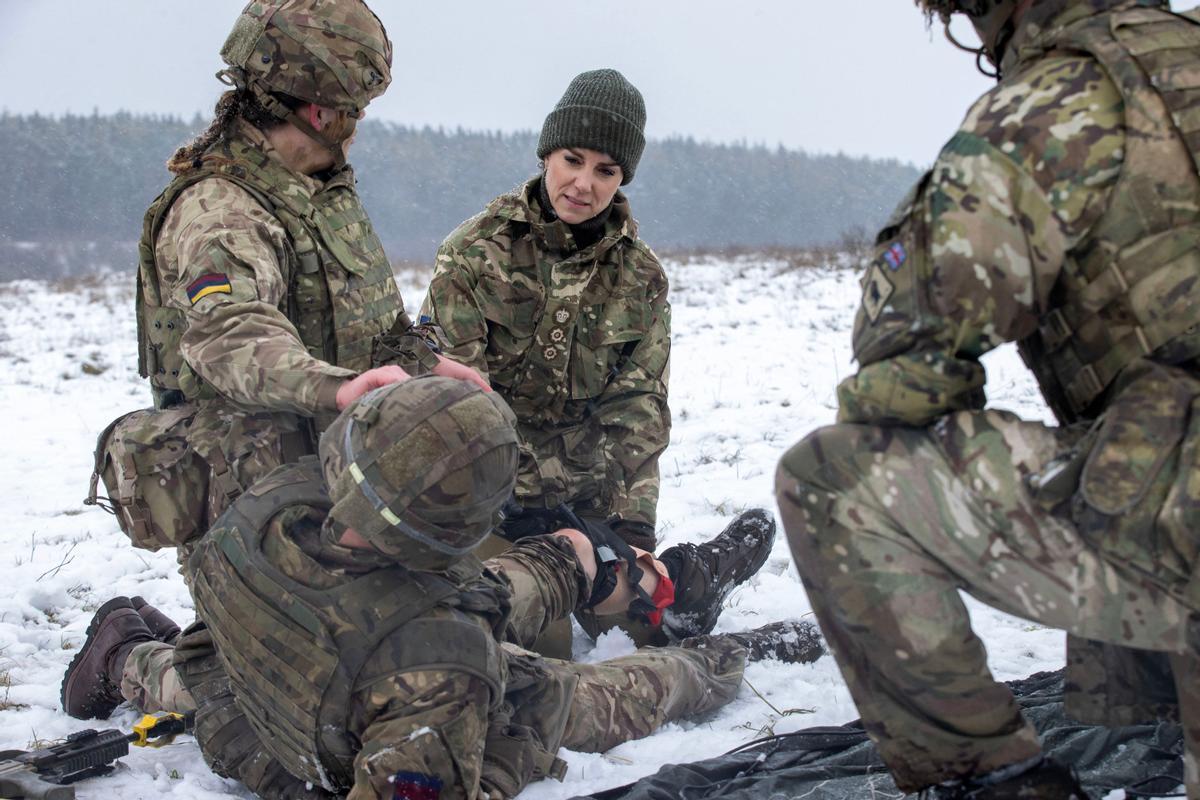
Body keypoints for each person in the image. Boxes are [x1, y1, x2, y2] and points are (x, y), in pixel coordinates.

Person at [775, 1, 1200, 797]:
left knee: (836, 481)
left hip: (1184, 519)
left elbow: (903, 360)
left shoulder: (1063, 97)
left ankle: (995, 783)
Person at [61, 376, 823, 800]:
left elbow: (417, 593)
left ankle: (126, 655)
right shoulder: (441, 666)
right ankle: (732, 653)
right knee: (632, 687)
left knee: (205, 677)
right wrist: (512, 753)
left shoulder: (277, 501)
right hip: (356, 726)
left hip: (253, 687)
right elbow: (430, 663)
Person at [107, 0, 486, 554]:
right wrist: (337, 389)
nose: (359, 124)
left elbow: (353, 324)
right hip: (265, 515)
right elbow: (232, 336)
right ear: (320, 114)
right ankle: (130, 643)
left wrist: (423, 363)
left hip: (345, 486)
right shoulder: (222, 211)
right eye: (357, 108)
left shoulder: (314, 189)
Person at [419, 68, 774, 644]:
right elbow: (456, 400)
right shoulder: (472, 254)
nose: (583, 183)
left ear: (622, 178)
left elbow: (638, 408)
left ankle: (696, 573)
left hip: (591, 500)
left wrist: (633, 529)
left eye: (605, 170)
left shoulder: (642, 277)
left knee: (650, 628)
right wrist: (520, 509)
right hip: (491, 500)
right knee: (534, 647)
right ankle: (664, 576)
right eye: (572, 159)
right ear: (545, 156)